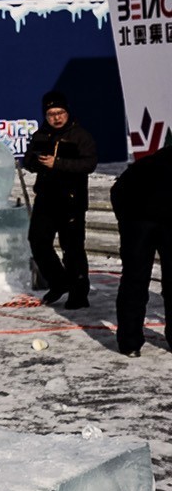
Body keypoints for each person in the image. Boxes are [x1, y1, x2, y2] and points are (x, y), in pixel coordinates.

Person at [21, 91, 98, 309]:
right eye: (51, 114)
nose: (56, 117)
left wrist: (58, 163)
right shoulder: (40, 134)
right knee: (38, 241)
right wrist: (35, 162)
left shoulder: (80, 135)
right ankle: (59, 281)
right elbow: (28, 160)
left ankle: (79, 293)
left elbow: (89, 164)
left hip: (71, 201)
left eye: (60, 112)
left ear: (67, 112)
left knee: (72, 249)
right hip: (46, 199)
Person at [110, 145, 171, 356]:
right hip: (145, 223)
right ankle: (130, 342)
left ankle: (130, 344)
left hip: (136, 224)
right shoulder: (153, 166)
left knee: (133, 282)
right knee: (136, 283)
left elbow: (116, 191)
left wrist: (125, 222)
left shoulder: (146, 163)